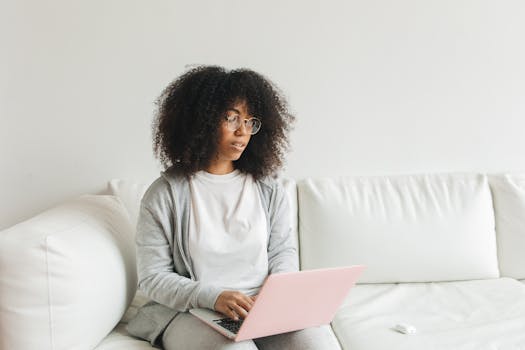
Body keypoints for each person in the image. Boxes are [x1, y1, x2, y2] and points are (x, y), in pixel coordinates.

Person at [126, 65, 341, 349]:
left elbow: (282, 251)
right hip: (195, 310)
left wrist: (279, 294)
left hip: (262, 307)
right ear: (200, 120)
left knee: (318, 344)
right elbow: (153, 278)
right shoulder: (164, 194)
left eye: (250, 121)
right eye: (231, 118)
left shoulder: (267, 187)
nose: (243, 131)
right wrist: (214, 296)